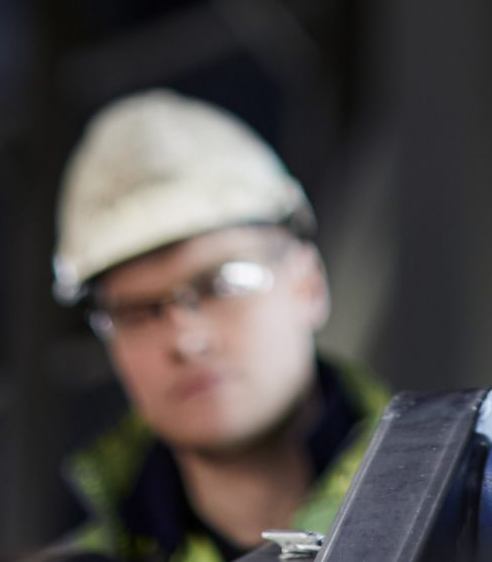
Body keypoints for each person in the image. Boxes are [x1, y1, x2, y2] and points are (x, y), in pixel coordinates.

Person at [56, 90, 384, 559]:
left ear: (308, 285)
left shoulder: (486, 509)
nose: (185, 339)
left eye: (224, 283)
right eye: (136, 312)